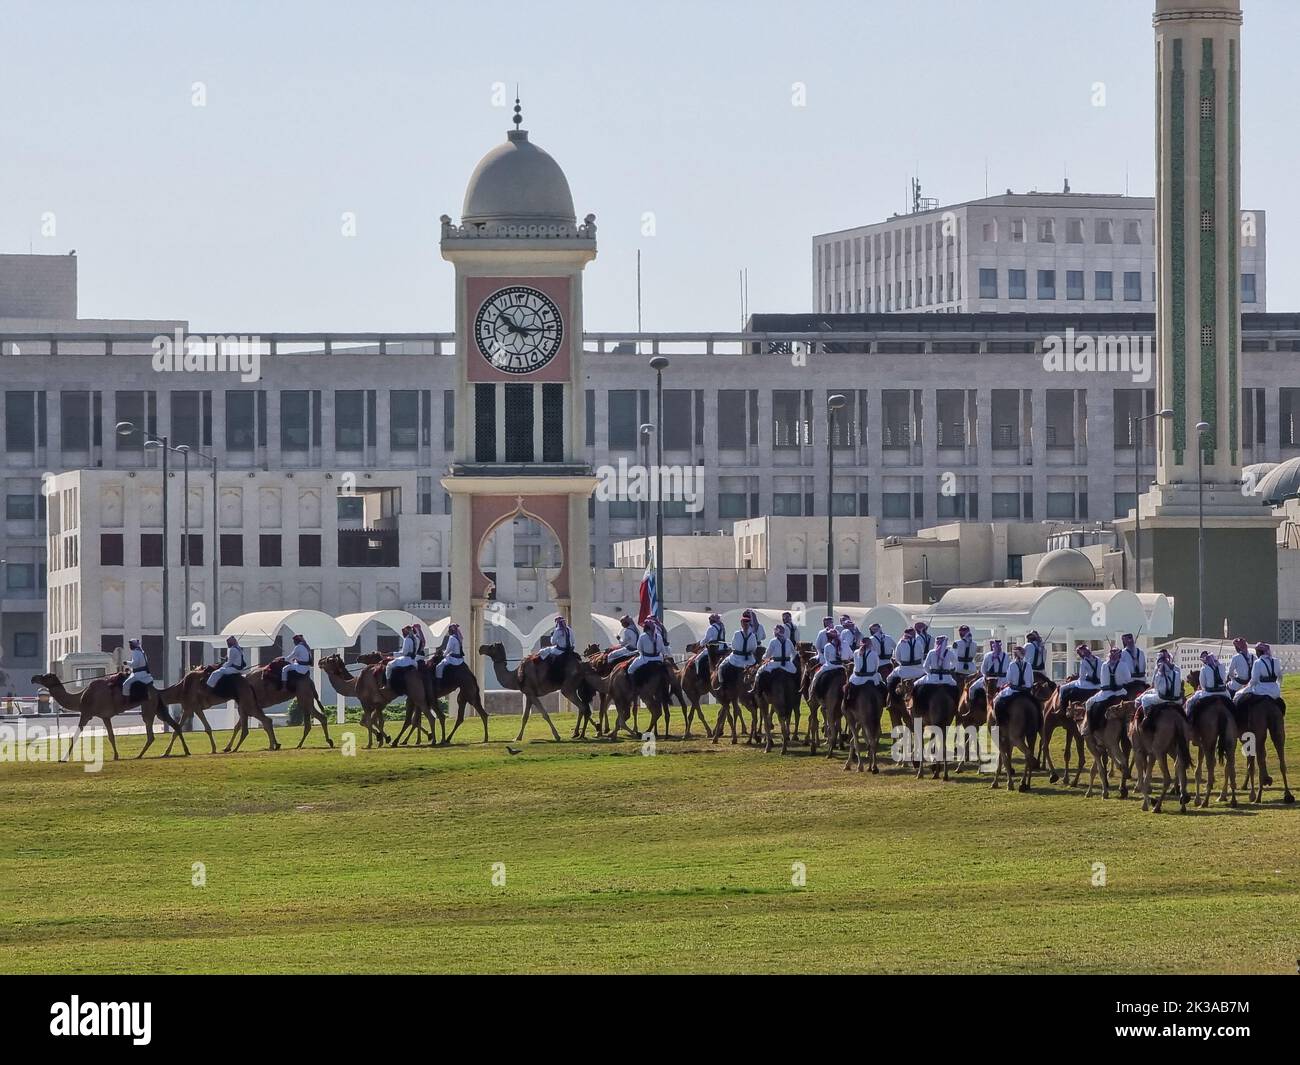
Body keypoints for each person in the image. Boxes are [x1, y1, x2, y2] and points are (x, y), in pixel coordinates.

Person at [1084, 647, 1131, 732]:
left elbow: (1103, 681)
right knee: (1088, 703)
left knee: (1089, 703)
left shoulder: (1107, 665)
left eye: (1114, 655)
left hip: (1110, 693)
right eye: (1112, 654)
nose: (1112, 656)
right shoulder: (1118, 665)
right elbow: (1128, 679)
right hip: (1116, 692)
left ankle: (1089, 727)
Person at [913, 635, 958, 714]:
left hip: (932, 678)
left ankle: (916, 708)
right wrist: (948, 669)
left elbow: (925, 666)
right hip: (947, 679)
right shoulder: (950, 652)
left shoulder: (932, 652)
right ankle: (957, 709)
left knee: (915, 685)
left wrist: (930, 673)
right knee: (957, 689)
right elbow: (955, 664)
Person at [753, 623, 798, 699]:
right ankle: (798, 689)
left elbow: (768, 654)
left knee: (760, 672)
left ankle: (758, 691)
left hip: (775, 664)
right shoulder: (789, 641)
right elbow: (794, 653)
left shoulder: (773, 641)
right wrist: (792, 662)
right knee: (797, 674)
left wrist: (764, 658)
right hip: (788, 665)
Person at [1138, 650, 1183, 719]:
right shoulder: (1176, 670)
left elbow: (1155, 687)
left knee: (1144, 699)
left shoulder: (1159, 670)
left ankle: (1147, 719)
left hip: (1162, 697)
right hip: (1176, 698)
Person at [1186, 650, 1232, 716]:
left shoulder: (1204, 668)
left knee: (1189, 702)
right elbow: (1224, 679)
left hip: (1208, 694)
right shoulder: (1222, 666)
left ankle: (1189, 721)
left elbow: (1203, 685)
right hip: (1224, 693)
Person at [1057, 645, 1102, 710]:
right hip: (1099, 684)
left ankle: (1061, 708)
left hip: (1087, 684)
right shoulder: (1098, 659)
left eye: (1079, 653)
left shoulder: (1083, 662)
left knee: (1062, 688)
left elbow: (1082, 677)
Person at [721, 614, 760, 686]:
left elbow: (733, 646)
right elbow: (754, 648)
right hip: (749, 660)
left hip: (736, 659)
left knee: (722, 667)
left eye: (746, 623)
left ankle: (722, 685)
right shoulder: (753, 635)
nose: (746, 624)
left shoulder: (737, 634)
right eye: (745, 623)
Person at [889, 626, 927, 698]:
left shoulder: (900, 643)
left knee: (889, 679)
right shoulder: (918, 643)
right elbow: (921, 657)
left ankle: (891, 700)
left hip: (903, 671)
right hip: (919, 670)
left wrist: (904, 664)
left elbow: (897, 658)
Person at [993, 644, 1035, 708]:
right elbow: (1032, 680)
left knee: (997, 699)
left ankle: (1000, 717)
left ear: (1015, 655)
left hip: (1014, 690)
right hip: (1027, 691)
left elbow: (1009, 680)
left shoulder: (1012, 665)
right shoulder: (1028, 665)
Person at [969, 639, 1008, 706]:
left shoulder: (1002, 656)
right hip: (997, 679)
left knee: (972, 688)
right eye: (996, 646)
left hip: (995, 679)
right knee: (972, 688)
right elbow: (983, 669)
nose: (997, 648)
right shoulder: (1003, 656)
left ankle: (971, 708)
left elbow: (983, 669)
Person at [124, 639, 155, 704]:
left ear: (134, 645)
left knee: (125, 684)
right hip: (144, 674)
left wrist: (126, 662)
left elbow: (135, 664)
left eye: (131, 644)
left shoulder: (135, 652)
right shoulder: (142, 652)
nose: (130, 646)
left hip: (138, 675)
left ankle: (126, 702)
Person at [697, 612, 727, 680]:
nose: (709, 621)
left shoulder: (711, 628)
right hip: (722, 648)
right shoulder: (722, 627)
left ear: (712, 620)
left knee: (697, 659)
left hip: (713, 649)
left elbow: (706, 639)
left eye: (710, 619)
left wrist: (700, 644)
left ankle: (699, 676)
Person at [1119, 633, 1148, 698]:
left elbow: (1144, 666)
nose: (1130, 640)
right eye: (1127, 638)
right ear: (1124, 641)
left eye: (1130, 638)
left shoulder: (1141, 652)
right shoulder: (1122, 654)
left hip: (1137, 682)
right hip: (1132, 683)